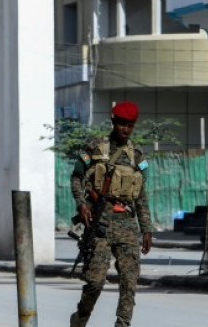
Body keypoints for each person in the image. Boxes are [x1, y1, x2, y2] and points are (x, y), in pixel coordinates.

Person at [69, 101, 152, 327]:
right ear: (114, 122)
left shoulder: (137, 155)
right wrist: (81, 204)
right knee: (95, 282)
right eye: (122, 124)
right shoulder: (95, 147)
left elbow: (141, 195)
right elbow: (76, 177)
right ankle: (80, 319)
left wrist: (147, 229)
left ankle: (122, 325)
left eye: (130, 126)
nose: (126, 129)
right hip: (101, 222)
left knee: (129, 282)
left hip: (126, 224)